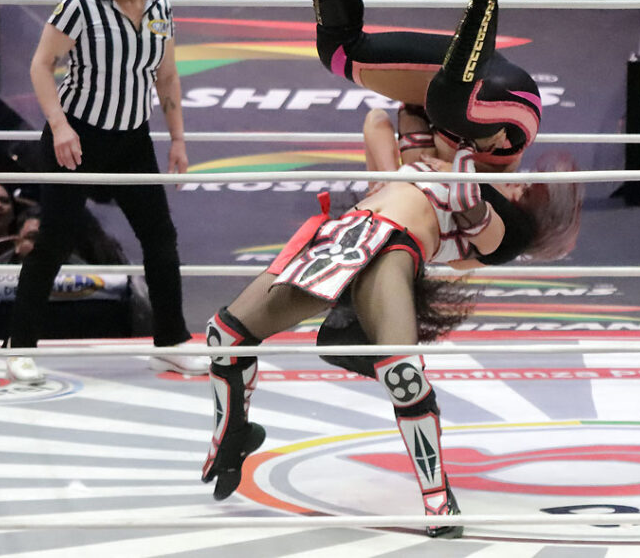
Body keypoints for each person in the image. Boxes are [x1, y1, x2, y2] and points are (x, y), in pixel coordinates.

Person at [198, 106, 582, 538]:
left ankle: (437, 499)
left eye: (526, 190)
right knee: (224, 334)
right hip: (344, 236)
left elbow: (477, 218)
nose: (520, 181)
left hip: (393, 250)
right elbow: (382, 117)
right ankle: (232, 434)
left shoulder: (501, 227)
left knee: (403, 375)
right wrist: (402, 166)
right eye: (523, 178)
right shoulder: (440, 160)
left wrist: (460, 168)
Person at [4, 0, 206, 384]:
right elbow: (41, 65)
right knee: (54, 241)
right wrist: (59, 127)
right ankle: (19, 345)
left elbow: (166, 75)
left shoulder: (160, 7)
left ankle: (171, 343)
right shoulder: (78, 5)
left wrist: (178, 138)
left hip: (132, 138)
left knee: (160, 237)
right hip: (77, 135)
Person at [240, 0, 541, 172]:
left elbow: (401, 115)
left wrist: (395, 176)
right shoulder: (481, 194)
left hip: (454, 92)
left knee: (341, 53)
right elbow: (492, 199)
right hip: (508, 105)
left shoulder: (417, 177)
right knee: (451, 107)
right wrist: (426, 176)